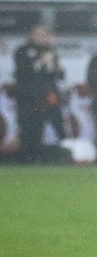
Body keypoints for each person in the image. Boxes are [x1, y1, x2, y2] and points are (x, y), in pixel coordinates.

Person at [13, 25, 65, 162]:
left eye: (44, 35)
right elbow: (23, 71)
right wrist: (41, 61)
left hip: (47, 96)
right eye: (38, 34)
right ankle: (25, 157)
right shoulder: (23, 51)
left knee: (42, 126)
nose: (41, 38)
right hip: (28, 96)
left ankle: (40, 156)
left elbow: (60, 75)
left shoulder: (51, 51)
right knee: (28, 126)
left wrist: (54, 66)